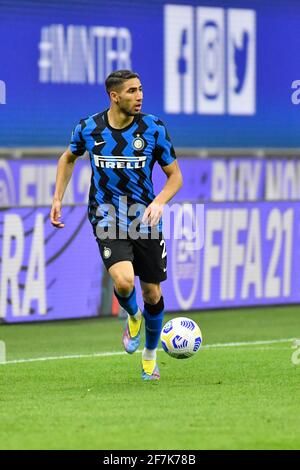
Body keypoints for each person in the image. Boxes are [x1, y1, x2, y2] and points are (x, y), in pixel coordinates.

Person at [50, 70, 183, 380]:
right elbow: (67, 158)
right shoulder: (88, 128)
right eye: (132, 91)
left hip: (144, 217)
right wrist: (58, 197)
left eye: (141, 90)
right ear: (115, 96)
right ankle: (133, 316)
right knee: (123, 282)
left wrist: (160, 201)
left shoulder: (153, 129)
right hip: (106, 214)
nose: (139, 96)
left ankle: (149, 357)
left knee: (152, 293)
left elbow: (175, 176)